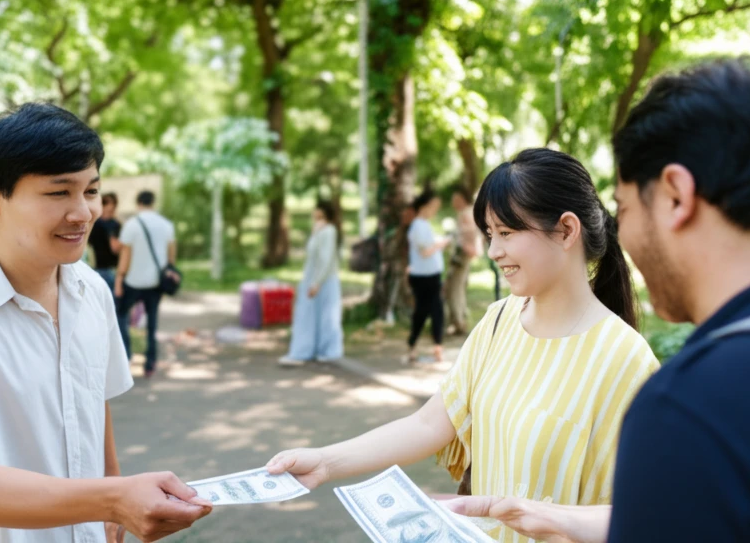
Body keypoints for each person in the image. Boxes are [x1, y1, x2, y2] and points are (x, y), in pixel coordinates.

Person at [443, 57, 750, 543]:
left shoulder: (688, 407)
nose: (620, 235)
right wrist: (555, 518)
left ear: (676, 195)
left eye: (625, 209)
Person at [267, 148, 659, 543]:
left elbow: (650, 513)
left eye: (506, 233)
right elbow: (428, 424)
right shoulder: (498, 322)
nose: (493, 252)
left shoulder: (624, 360)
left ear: (567, 230)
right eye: (490, 235)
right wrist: (324, 462)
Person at [0, 103, 212, 542]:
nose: (82, 213)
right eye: (59, 193)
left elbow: (95, 403)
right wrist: (113, 498)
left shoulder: (91, 291)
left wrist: (112, 508)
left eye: (91, 191)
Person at [115, 190, 175, 378]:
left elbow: (126, 255)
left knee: (121, 316)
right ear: (153, 202)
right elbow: (171, 255)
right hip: (155, 283)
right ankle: (150, 364)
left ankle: (126, 356)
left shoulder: (131, 225)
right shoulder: (166, 225)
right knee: (152, 324)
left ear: (138, 203)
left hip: (133, 281)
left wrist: (119, 279)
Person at [278, 200, 343, 366]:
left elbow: (326, 259)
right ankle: (306, 350)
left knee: (326, 316)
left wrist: (317, 282)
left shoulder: (329, 231)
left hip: (323, 280)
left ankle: (327, 350)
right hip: (313, 278)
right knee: (310, 315)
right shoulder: (319, 229)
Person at [406, 190, 449, 362]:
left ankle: (435, 346)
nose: (435, 210)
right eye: (433, 207)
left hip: (431, 274)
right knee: (425, 311)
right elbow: (425, 252)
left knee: (435, 309)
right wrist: (442, 243)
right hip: (423, 276)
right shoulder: (418, 225)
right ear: (424, 207)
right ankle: (415, 345)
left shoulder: (423, 224)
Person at [444, 186, 482, 335]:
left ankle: (458, 322)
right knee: (457, 287)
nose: (453, 202)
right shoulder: (467, 212)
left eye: (456, 199)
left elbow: (473, 233)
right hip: (464, 255)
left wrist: (466, 246)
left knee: (454, 289)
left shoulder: (465, 213)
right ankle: (458, 320)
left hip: (462, 255)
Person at [89, 192, 122, 294]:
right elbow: (115, 247)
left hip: (93, 269)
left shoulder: (93, 223)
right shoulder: (113, 224)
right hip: (110, 270)